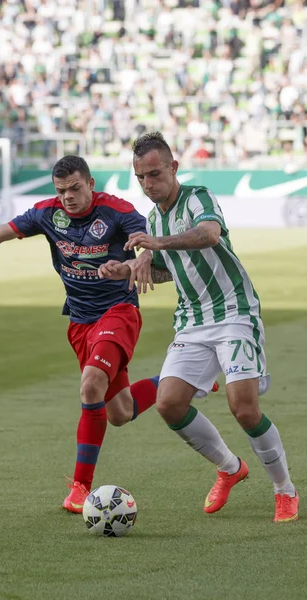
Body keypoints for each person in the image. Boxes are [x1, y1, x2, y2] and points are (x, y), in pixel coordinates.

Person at [0, 155, 163, 514]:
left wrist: (138, 261)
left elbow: (148, 243)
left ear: (90, 184)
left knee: (91, 384)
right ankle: (181, 380)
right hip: (79, 322)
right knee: (119, 411)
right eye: (61, 191)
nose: (68, 197)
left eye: (75, 188)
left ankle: (80, 489)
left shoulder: (117, 211)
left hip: (118, 313)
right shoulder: (47, 213)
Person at [100, 132, 298, 522]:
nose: (148, 184)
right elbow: (167, 270)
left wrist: (155, 244)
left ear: (174, 167)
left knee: (243, 409)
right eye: (140, 178)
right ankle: (229, 467)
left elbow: (208, 235)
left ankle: (284, 490)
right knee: (169, 403)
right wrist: (125, 269)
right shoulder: (155, 217)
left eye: (154, 174)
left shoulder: (197, 198)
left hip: (234, 312)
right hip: (192, 320)